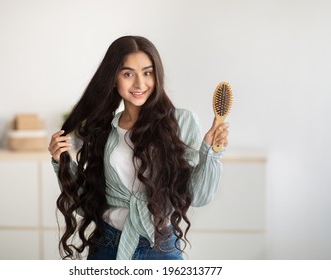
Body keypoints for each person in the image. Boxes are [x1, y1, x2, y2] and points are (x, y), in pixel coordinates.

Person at [48, 35, 229, 260]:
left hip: (161, 248)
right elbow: (86, 205)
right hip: (107, 246)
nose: (139, 84)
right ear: (113, 78)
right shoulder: (103, 130)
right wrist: (61, 163)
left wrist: (211, 153)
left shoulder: (180, 122)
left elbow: (198, 196)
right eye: (128, 74)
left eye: (147, 72)